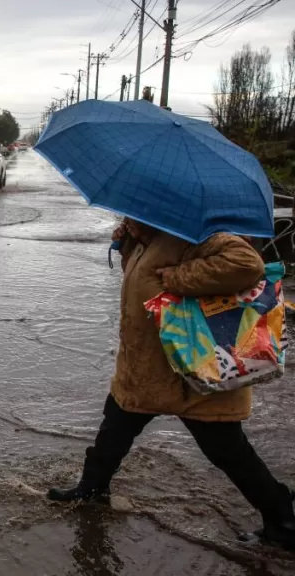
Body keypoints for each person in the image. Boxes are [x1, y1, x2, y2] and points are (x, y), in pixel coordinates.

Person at [47, 217, 294, 551]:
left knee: (228, 452)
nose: (128, 220)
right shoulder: (148, 239)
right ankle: (91, 490)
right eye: (127, 217)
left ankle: (282, 519)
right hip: (145, 369)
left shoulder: (199, 233)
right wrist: (129, 245)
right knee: (112, 434)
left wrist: (178, 277)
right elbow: (144, 283)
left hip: (195, 373)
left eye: (133, 217)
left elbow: (246, 265)